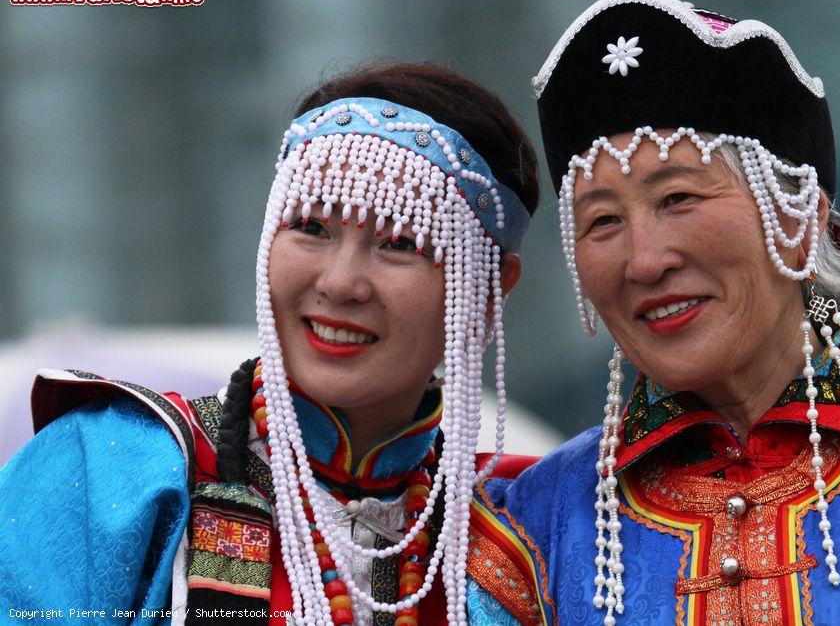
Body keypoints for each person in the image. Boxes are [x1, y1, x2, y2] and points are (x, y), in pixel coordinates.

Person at [465, 0, 840, 625]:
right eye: (602, 221)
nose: (644, 261)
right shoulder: (531, 532)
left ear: (801, 217)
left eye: (679, 199)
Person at [0, 62, 540, 625]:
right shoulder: (114, 469)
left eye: (399, 243)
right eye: (310, 228)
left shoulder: (525, 528)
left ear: (487, 291)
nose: (339, 283)